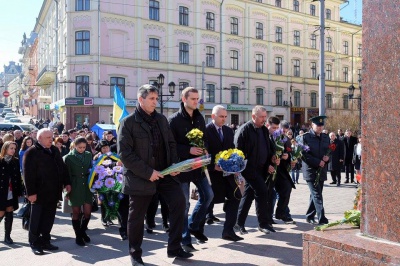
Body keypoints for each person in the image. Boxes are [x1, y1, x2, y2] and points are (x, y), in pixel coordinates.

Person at [118, 84, 192, 266]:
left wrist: (175, 164)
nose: (155, 102)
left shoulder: (161, 119)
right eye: (151, 99)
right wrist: (148, 172)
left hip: (166, 174)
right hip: (141, 177)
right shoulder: (128, 123)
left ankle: (174, 247)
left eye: (156, 98)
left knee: (179, 203)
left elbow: (171, 143)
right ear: (140, 99)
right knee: (136, 217)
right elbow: (125, 154)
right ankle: (135, 254)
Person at [168, 86, 214, 251]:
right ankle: (185, 239)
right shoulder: (173, 120)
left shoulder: (200, 118)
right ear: (184, 99)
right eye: (193, 99)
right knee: (184, 204)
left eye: (197, 99)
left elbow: (205, 139)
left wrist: (205, 148)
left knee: (208, 195)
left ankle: (193, 225)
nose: (196, 102)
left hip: (198, 165)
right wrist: (188, 150)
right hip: (182, 167)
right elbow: (170, 145)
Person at [23, 128, 71, 255]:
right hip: (38, 193)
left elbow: (62, 167)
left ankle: (45, 240)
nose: (51, 139)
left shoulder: (54, 150)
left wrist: (67, 183)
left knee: (49, 218)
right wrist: (31, 193)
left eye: (51, 137)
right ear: (39, 139)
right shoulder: (32, 152)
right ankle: (34, 243)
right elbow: (28, 175)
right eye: (48, 137)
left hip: (53, 192)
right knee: (36, 219)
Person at [234, 106, 277, 235]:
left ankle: (238, 223)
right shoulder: (244, 130)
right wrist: (239, 171)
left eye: (265, 117)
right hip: (249, 169)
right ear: (253, 117)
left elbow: (268, 148)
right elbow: (238, 152)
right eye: (262, 117)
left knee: (248, 196)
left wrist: (271, 160)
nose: (265, 120)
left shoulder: (263, 130)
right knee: (262, 191)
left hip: (261, 169)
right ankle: (263, 223)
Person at [205, 105, 243, 241]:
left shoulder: (228, 131)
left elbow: (231, 149)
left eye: (225, 116)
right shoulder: (205, 131)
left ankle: (228, 231)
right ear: (213, 116)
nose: (224, 119)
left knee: (236, 196)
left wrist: (236, 164)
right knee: (207, 201)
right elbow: (203, 154)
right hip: (212, 174)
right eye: (221, 116)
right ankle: (196, 228)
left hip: (227, 173)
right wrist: (212, 166)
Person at [297, 115, 330, 225]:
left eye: (321, 125)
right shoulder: (305, 137)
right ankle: (322, 218)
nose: (320, 127)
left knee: (316, 193)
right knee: (317, 194)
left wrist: (327, 159)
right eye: (317, 125)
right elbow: (303, 155)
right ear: (312, 125)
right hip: (310, 170)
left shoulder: (326, 137)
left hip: (321, 170)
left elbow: (328, 152)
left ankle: (309, 215)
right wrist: (317, 162)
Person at [63, 137, 93, 246]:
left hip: (87, 186)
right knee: (76, 212)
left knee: (87, 212)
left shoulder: (89, 155)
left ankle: (82, 231)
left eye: (84, 147)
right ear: (75, 146)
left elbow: (92, 169)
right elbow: (66, 176)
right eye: (79, 147)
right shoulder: (68, 157)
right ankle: (78, 236)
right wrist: (67, 191)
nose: (82, 149)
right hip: (75, 186)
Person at [272, 120, 296, 224]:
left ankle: (281, 212)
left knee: (287, 188)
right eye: (283, 130)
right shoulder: (273, 136)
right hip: (271, 168)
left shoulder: (286, 139)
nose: (284, 132)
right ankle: (269, 217)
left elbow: (289, 152)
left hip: (282, 169)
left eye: (286, 130)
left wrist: (289, 157)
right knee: (270, 194)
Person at [0, 141, 23, 244]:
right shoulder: (0, 161)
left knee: (10, 212)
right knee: (1, 212)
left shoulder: (15, 161)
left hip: (11, 191)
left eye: (14, 148)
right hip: (1, 191)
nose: (13, 150)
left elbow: (18, 177)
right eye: (11, 148)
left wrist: (20, 191)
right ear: (5, 148)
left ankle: (7, 236)